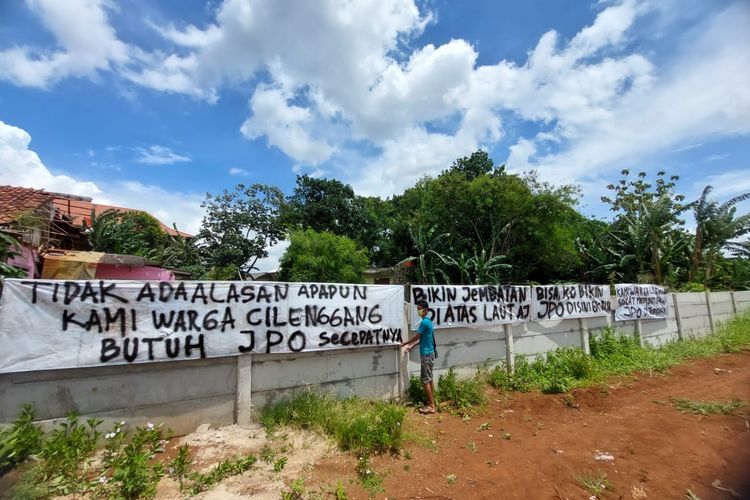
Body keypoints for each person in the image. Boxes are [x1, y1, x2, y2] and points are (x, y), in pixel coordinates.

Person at [402, 299, 436, 414]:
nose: (418, 311)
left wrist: (405, 343)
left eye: (419, 309)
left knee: (425, 380)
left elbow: (417, 337)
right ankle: (432, 401)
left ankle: (431, 406)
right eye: (417, 309)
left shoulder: (424, 323)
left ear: (425, 310)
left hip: (426, 355)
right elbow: (423, 339)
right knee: (429, 378)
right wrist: (411, 346)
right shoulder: (428, 321)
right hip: (430, 354)